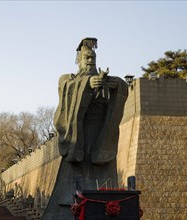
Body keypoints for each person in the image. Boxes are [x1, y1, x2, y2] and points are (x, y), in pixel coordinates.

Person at [42, 38, 128, 220]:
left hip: (100, 138)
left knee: (106, 183)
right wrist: (87, 85)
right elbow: (67, 88)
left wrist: (116, 85)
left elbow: (122, 86)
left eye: (93, 59)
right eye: (86, 58)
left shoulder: (106, 80)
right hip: (78, 139)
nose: (90, 61)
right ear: (78, 60)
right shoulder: (69, 79)